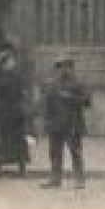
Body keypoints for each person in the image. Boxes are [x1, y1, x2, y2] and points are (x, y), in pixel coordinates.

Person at [40, 57, 92, 189]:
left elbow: (87, 102)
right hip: (56, 124)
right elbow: (47, 105)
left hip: (73, 123)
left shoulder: (79, 84)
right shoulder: (52, 85)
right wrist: (46, 122)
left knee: (75, 152)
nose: (64, 70)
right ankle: (55, 179)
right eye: (61, 67)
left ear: (72, 69)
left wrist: (71, 98)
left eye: (68, 67)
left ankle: (80, 180)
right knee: (55, 153)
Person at [0, 47, 30, 177]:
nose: (12, 63)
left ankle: (21, 167)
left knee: (18, 141)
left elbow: (22, 92)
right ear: (3, 63)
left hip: (15, 112)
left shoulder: (17, 77)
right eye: (10, 61)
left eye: (13, 61)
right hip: (0, 112)